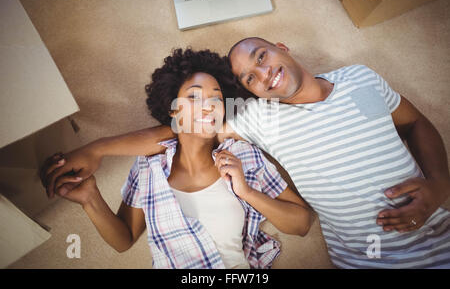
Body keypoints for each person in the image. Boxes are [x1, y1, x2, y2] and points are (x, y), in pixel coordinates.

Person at [42, 38, 450, 268]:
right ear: (249, 95)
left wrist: (440, 186)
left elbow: (416, 123)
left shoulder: (359, 77)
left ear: (281, 47)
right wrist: (96, 152)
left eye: (261, 57)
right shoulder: (258, 118)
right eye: (249, 79)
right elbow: (185, 125)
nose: (263, 74)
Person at [42, 48, 312, 269]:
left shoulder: (242, 155)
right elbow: (124, 240)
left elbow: (301, 224)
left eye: (216, 99)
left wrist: (247, 191)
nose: (208, 106)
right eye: (193, 97)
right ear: (172, 110)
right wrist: (90, 198)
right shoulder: (148, 167)